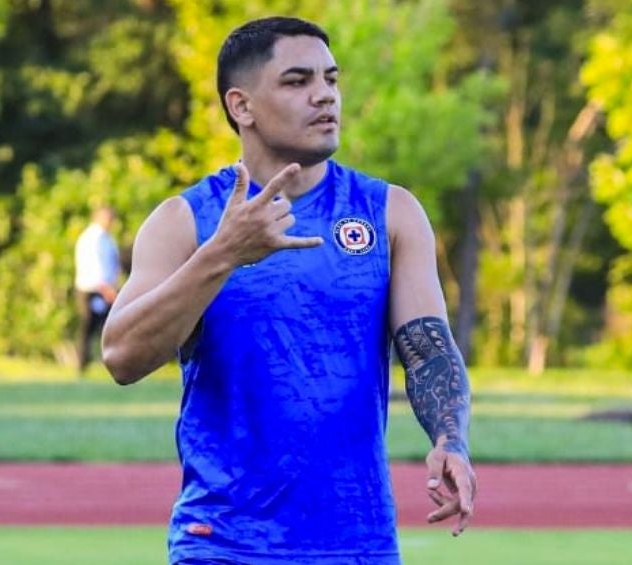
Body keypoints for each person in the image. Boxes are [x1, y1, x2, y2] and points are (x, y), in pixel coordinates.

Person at [101, 16, 476, 564]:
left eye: (331, 78)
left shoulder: (390, 213)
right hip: (223, 544)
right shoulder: (184, 221)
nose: (324, 95)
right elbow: (121, 356)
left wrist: (451, 439)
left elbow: (428, 350)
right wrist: (223, 253)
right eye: (298, 81)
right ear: (241, 106)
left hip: (359, 543)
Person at [74, 205, 121, 375]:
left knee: (107, 328)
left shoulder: (108, 239)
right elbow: (94, 267)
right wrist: (106, 289)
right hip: (92, 289)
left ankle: (111, 363)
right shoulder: (92, 239)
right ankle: (82, 364)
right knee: (88, 328)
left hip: (105, 289)